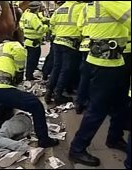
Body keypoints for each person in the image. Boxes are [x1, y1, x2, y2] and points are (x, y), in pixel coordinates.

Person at [69, 1, 131, 166]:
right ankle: (77, 148)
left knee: (121, 105)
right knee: (97, 110)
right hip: (105, 64)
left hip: (112, 61)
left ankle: (114, 138)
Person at [45, 1, 84, 105]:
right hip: (70, 42)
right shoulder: (80, 7)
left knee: (56, 67)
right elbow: (83, 24)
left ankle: (48, 92)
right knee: (65, 70)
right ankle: (58, 94)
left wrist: (58, 32)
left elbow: (51, 24)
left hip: (58, 41)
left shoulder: (60, 8)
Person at [19, 1, 49, 81]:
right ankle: (29, 76)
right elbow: (40, 29)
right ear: (38, 8)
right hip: (34, 43)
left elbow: (21, 25)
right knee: (33, 61)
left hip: (28, 41)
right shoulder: (33, 18)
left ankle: (29, 75)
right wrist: (48, 26)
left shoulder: (26, 14)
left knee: (30, 60)